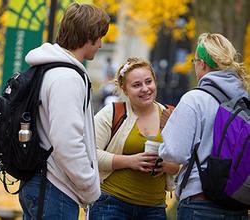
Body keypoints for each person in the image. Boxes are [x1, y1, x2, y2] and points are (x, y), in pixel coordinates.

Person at [18, 3, 110, 219]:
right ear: (88, 36)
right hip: (55, 188)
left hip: (38, 182)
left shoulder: (47, 68)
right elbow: (67, 142)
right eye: (99, 37)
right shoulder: (67, 78)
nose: (101, 44)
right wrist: (90, 187)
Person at [158, 33, 250, 219]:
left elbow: (175, 153)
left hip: (200, 203)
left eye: (194, 61)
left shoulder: (195, 99)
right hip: (238, 204)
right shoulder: (244, 100)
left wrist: (168, 129)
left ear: (202, 63)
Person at [90, 57, 180, 220]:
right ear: (125, 90)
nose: (145, 89)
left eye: (148, 82)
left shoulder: (170, 115)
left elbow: (182, 163)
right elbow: (90, 154)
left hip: (154, 208)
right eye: (137, 85)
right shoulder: (113, 113)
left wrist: (165, 165)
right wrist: (131, 161)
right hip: (111, 204)